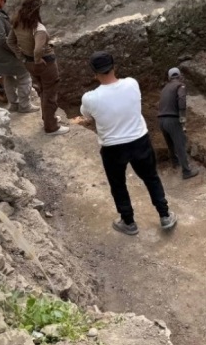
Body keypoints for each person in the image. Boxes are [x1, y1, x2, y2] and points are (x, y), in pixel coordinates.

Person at [73, 51, 177, 236]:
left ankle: (128, 222)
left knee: (118, 185)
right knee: (151, 178)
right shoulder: (132, 84)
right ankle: (165, 215)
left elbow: (86, 115)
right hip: (139, 140)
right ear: (114, 67)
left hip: (112, 147)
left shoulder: (89, 98)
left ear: (94, 73)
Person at [8, 0, 69, 136]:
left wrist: (22, 57)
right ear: (36, 10)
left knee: (43, 91)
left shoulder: (17, 23)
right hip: (45, 64)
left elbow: (10, 41)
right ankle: (51, 126)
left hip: (28, 63)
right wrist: (37, 59)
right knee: (50, 94)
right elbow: (38, 49)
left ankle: (48, 118)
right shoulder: (38, 28)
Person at [158, 67, 199, 179]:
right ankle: (186, 172)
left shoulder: (165, 88)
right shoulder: (180, 86)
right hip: (172, 119)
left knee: (170, 143)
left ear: (169, 77)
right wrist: (182, 117)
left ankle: (175, 163)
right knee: (180, 144)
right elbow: (182, 99)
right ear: (180, 76)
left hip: (161, 120)